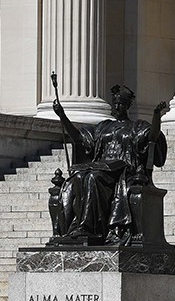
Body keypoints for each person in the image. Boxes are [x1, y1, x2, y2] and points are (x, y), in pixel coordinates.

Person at [50, 85, 167, 246]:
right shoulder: (103, 127)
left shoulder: (137, 127)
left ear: (128, 106)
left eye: (121, 104)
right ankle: (72, 228)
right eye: (115, 104)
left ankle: (87, 228)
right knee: (77, 177)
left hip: (123, 171)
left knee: (92, 178)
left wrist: (156, 116)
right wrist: (62, 115)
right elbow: (78, 138)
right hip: (101, 167)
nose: (117, 107)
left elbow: (152, 137)